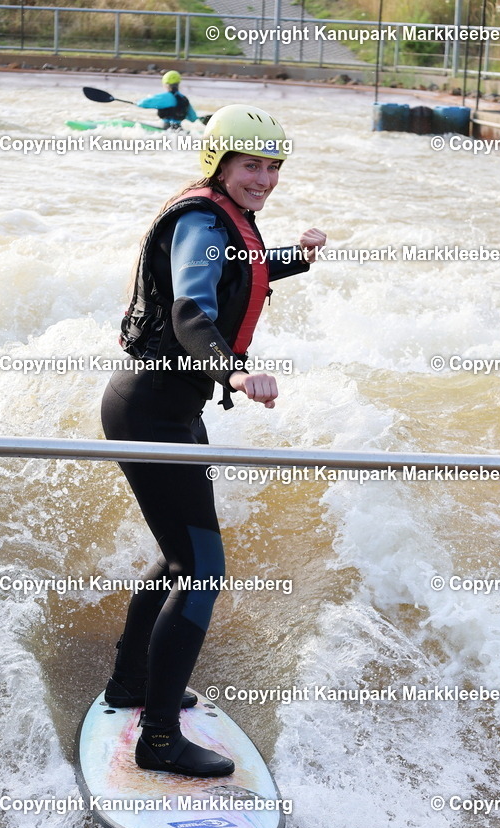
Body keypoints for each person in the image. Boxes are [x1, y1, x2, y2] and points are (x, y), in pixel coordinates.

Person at [101, 104, 327, 778]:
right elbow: (190, 308)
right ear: (218, 165)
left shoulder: (218, 218)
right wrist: (236, 368)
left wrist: (294, 257)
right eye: (249, 165)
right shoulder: (200, 221)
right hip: (153, 413)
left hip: (163, 408)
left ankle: (130, 686)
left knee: (181, 559)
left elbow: (238, 271)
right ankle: (161, 741)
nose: (263, 178)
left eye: (272, 166)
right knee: (201, 569)